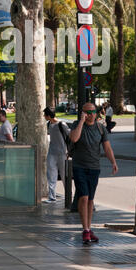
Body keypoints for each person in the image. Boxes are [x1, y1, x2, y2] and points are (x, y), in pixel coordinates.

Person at [69, 102, 118, 244]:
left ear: (96, 113)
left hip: (94, 167)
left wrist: (113, 162)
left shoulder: (100, 128)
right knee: (83, 197)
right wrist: (81, 122)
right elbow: (74, 138)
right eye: (87, 112)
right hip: (79, 166)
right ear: (83, 113)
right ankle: (85, 230)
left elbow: (107, 148)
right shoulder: (76, 125)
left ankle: (89, 229)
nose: (90, 115)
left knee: (90, 199)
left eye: (93, 112)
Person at [43, 106, 70, 204]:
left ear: (49, 115)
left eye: (45, 115)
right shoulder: (49, 124)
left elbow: (69, 135)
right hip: (52, 152)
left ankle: (68, 195)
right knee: (51, 175)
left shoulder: (61, 124)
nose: (44, 116)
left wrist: (68, 151)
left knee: (64, 175)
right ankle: (51, 197)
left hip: (62, 153)